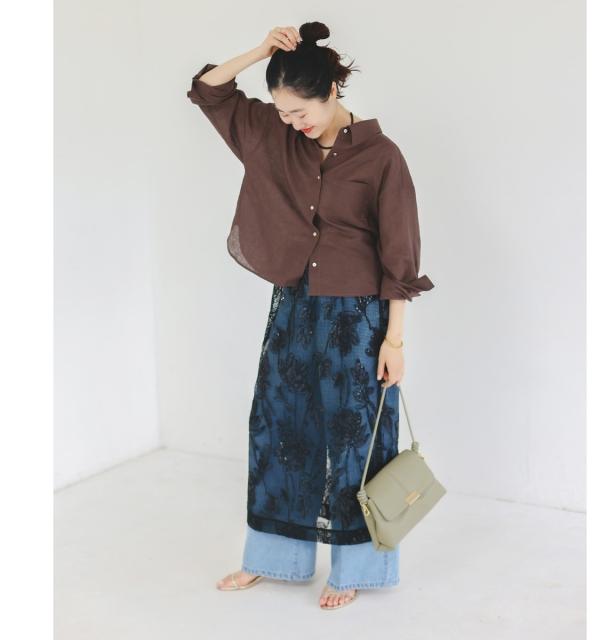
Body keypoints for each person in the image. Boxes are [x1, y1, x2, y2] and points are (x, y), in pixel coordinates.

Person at [186, 21, 435, 610]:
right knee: (280, 431)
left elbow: (400, 257)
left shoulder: (381, 157)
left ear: (332, 91)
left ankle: (354, 569)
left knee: (357, 440)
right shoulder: (273, 139)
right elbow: (208, 90)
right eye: (281, 111)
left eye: (300, 111)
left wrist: (395, 341)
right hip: (294, 309)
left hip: (359, 320)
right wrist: (261, 51)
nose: (291, 121)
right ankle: (272, 559)